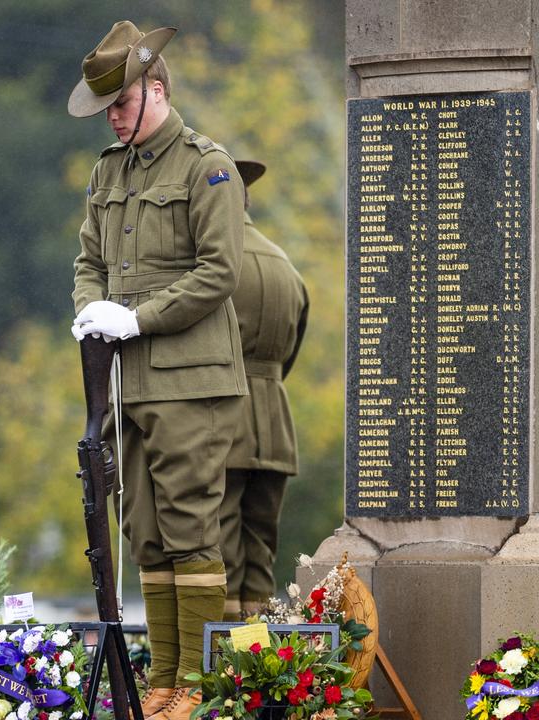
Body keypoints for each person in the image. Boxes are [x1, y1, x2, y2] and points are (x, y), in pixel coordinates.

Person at [67, 20, 247, 720]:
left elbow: (220, 272)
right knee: (146, 531)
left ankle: (195, 685)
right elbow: (90, 260)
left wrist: (137, 318)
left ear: (157, 89)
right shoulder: (110, 172)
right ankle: (164, 680)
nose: (112, 118)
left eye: (121, 103)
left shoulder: (208, 167)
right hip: (128, 383)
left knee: (190, 529)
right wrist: (91, 309)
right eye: (106, 107)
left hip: (191, 380)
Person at [219, 161, 309, 620]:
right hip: (274, 426)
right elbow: (289, 356)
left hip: (218, 420)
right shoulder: (284, 264)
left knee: (219, 556)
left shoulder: (212, 266)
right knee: (259, 560)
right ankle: (255, 662)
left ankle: (220, 674)